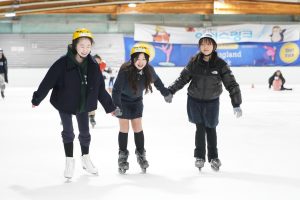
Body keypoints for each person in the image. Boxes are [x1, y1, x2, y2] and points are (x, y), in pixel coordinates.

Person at [31, 28, 120, 179]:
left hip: (83, 103)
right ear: (74, 45)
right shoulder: (62, 63)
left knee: (85, 132)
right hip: (64, 101)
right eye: (82, 46)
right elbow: (48, 81)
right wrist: (37, 98)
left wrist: (110, 107)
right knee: (68, 132)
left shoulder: (92, 64)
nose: (85, 50)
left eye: (88, 46)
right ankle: (69, 161)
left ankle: (85, 158)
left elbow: (99, 88)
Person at [168, 33, 242, 172]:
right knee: (200, 128)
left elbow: (231, 84)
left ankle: (213, 157)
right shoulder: (194, 62)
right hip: (194, 101)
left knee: (211, 128)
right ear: (199, 46)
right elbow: (182, 79)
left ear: (214, 46)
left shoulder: (220, 64)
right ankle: (199, 157)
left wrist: (236, 103)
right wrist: (170, 91)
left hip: (212, 102)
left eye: (208, 44)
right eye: (203, 44)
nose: (205, 47)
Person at [112, 45, 172, 174]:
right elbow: (116, 90)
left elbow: (157, 82)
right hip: (123, 101)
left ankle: (141, 154)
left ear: (147, 60)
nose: (141, 62)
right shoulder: (125, 70)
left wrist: (165, 93)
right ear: (133, 59)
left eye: (144, 59)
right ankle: (122, 156)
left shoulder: (149, 69)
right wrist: (116, 106)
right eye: (138, 59)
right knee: (124, 128)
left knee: (138, 127)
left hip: (137, 101)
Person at [88, 54, 108, 128]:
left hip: (95, 88)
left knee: (92, 103)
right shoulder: (87, 65)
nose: (97, 62)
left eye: (98, 61)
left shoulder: (101, 66)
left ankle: (92, 117)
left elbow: (103, 65)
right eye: (95, 61)